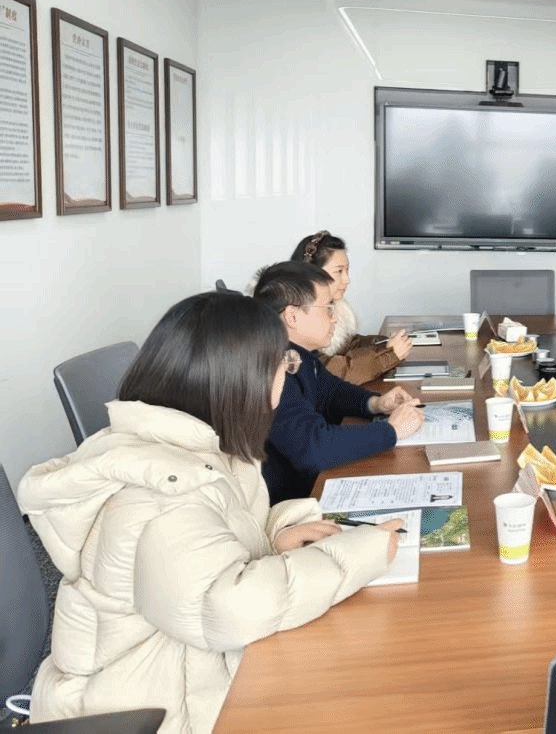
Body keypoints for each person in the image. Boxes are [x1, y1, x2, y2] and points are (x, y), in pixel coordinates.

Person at [17, 291, 402, 734]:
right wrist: (360, 553)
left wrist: (273, 537)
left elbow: (210, 541)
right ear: (244, 379)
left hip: (173, 666)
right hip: (150, 704)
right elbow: (228, 610)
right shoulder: (165, 491)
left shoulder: (196, 447)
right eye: (284, 362)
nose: (288, 372)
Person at [254, 261, 424, 503]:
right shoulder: (274, 369)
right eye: (328, 309)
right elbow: (313, 447)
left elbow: (330, 391)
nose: (334, 318)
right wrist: (391, 430)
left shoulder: (298, 354)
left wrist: (375, 403)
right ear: (292, 316)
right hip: (289, 505)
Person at [291, 230, 412, 384]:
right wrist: (389, 356)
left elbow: (348, 344)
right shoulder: (296, 315)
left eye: (347, 270)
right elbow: (328, 372)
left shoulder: (329, 307)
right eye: (339, 271)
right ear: (312, 274)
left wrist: (385, 343)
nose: (347, 279)